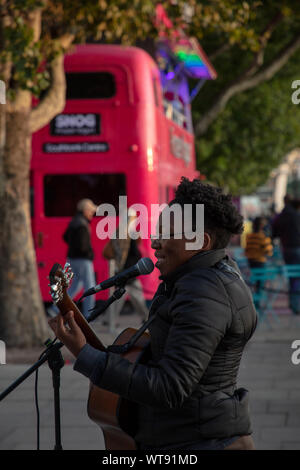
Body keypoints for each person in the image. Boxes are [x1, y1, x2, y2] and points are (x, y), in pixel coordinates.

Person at [49, 178, 257, 450]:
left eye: (168, 234)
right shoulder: (201, 277)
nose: (155, 243)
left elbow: (170, 387)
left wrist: (84, 353)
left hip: (198, 441)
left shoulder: (204, 292)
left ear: (201, 242)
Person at [102, 209, 149, 333]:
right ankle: (147, 319)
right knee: (136, 298)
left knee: (119, 298)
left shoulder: (118, 231)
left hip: (121, 270)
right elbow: (135, 253)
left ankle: (109, 319)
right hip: (129, 271)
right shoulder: (131, 233)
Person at [62, 198, 97, 318]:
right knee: (90, 287)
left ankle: (56, 309)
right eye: (91, 210)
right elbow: (83, 246)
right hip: (83, 259)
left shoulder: (74, 221)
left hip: (72, 258)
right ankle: (89, 314)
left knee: (75, 286)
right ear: (85, 210)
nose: (92, 213)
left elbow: (65, 237)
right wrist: (90, 253)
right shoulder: (82, 224)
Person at [272, 196, 300, 314]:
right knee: (297, 277)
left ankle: (294, 304)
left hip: (286, 249)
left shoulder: (281, 216)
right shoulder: (297, 216)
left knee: (292, 277)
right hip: (297, 247)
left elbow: (274, 233)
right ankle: (295, 305)